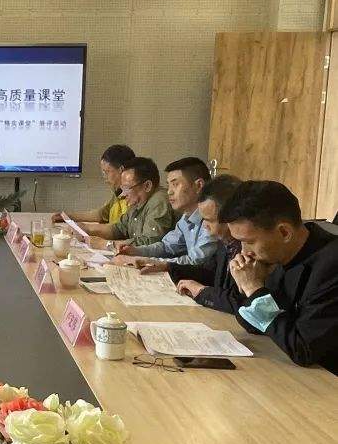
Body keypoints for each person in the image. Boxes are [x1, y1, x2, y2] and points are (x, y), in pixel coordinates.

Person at [219, 180, 338, 373]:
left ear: (284, 232)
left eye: (249, 242)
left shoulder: (331, 265)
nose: (244, 251)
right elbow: (252, 325)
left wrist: (254, 289)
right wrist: (250, 286)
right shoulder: (276, 256)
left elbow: (303, 349)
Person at [114, 157, 217, 267]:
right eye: (168, 185)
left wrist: (153, 262)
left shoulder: (211, 219)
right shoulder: (186, 217)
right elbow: (166, 247)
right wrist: (136, 251)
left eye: (175, 184)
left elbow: (195, 262)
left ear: (199, 185)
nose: (169, 192)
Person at [169, 175, 243, 314]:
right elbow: (209, 273)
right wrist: (167, 267)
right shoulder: (225, 243)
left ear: (231, 217)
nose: (204, 226)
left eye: (209, 220)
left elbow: (242, 303)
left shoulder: (250, 249)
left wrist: (201, 291)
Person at [80, 157, 174, 249]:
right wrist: (85, 229)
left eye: (126, 188)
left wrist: (107, 245)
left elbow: (149, 243)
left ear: (147, 186)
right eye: (122, 188)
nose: (123, 194)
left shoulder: (159, 200)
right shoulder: (137, 201)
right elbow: (118, 229)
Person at [52, 144, 135, 225]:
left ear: (121, 170)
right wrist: (67, 216)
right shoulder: (119, 192)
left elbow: (120, 231)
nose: (105, 178)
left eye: (107, 172)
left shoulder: (134, 198)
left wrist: (89, 230)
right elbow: (101, 215)